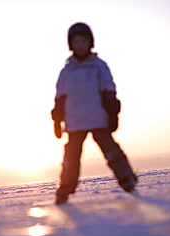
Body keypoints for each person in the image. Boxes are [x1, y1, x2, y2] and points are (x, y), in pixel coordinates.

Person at [51, 22, 137, 205]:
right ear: (71, 45)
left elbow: (109, 90)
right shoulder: (66, 72)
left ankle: (127, 179)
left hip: (98, 118)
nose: (80, 45)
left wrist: (113, 114)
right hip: (74, 121)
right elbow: (60, 97)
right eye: (76, 42)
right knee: (71, 157)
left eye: (83, 41)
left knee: (111, 151)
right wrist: (57, 121)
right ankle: (65, 188)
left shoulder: (99, 66)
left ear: (90, 43)